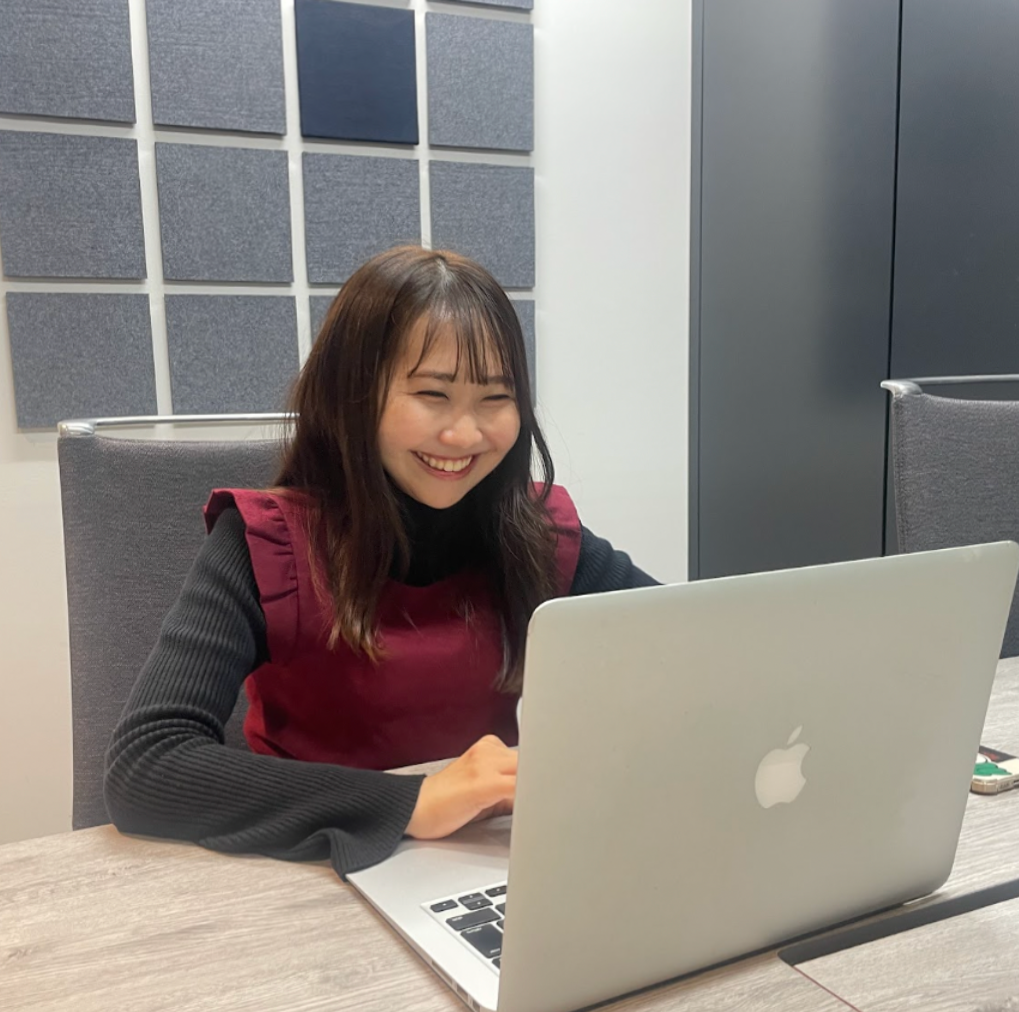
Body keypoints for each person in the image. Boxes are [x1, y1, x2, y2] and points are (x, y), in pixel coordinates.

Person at [105, 246, 657, 875]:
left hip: (492, 862)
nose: (464, 435)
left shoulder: (537, 533)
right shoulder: (268, 544)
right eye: (432, 394)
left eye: (495, 399)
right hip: (312, 872)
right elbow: (146, 765)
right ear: (352, 396)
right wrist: (412, 802)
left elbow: (693, 651)